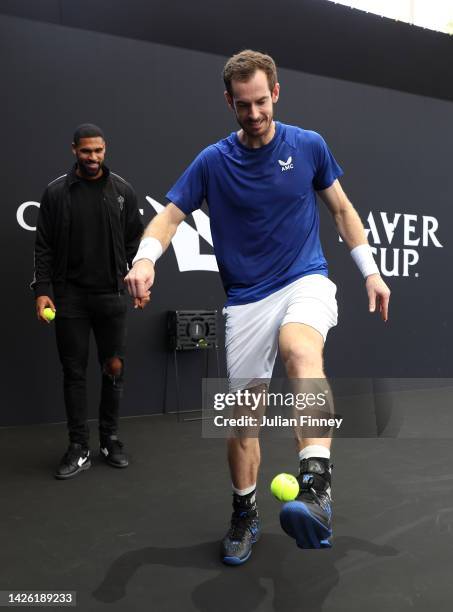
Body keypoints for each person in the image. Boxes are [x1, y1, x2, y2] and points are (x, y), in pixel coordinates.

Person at [125, 50, 391, 564]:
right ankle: (244, 511)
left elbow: (341, 208)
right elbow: (169, 218)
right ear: (229, 101)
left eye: (262, 101)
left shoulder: (308, 146)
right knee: (242, 418)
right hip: (245, 299)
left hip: (304, 280)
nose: (254, 114)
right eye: (243, 105)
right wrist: (144, 258)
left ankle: (316, 486)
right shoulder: (212, 161)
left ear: (277, 93)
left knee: (299, 348)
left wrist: (371, 271)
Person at [32, 123, 146, 479]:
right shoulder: (56, 193)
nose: (93, 158)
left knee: (114, 368)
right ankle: (78, 446)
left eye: (98, 151)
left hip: (111, 296)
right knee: (74, 373)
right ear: (74, 151)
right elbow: (44, 248)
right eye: (86, 152)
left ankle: (110, 439)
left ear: (104, 149)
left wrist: (139, 281)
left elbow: (136, 246)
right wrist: (43, 290)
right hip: (70, 299)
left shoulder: (122, 191)